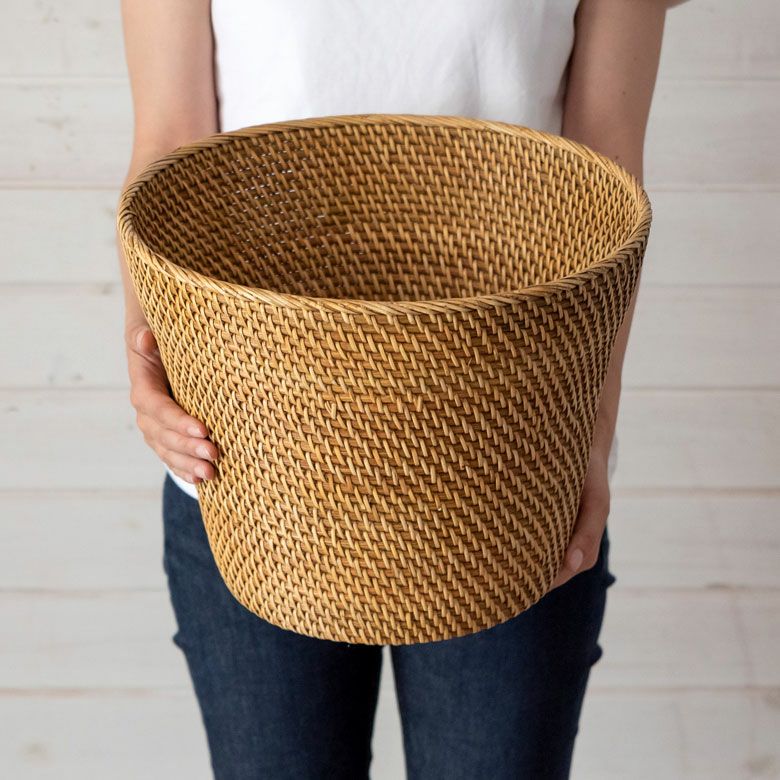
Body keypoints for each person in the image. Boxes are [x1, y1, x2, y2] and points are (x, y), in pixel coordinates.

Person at [118, 1, 673, 777]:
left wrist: (593, 427)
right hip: (250, 458)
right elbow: (170, 142)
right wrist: (144, 359)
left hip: (508, 458)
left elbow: (605, 177)